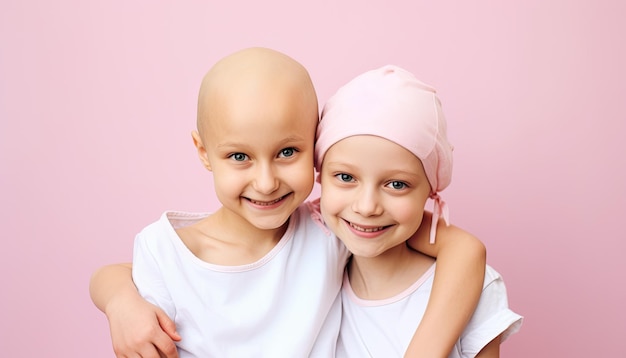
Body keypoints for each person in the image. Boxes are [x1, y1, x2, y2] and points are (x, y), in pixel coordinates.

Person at [89, 48, 487, 358]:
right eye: (239, 157)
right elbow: (115, 273)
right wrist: (119, 301)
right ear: (203, 151)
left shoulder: (329, 228)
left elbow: (464, 249)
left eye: (287, 152)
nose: (265, 183)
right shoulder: (164, 252)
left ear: (315, 146)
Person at [314, 64, 522, 357]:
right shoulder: (311, 274)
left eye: (397, 184)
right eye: (346, 177)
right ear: (319, 174)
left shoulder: (470, 289)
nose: (367, 206)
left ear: (431, 189)